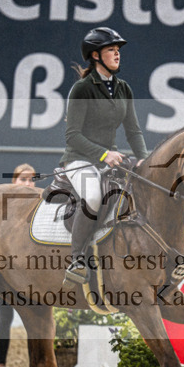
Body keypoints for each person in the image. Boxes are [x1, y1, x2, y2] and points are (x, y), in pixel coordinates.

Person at [60, 27, 149, 287]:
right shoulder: (81, 89)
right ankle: (76, 259)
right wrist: (102, 154)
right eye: (111, 50)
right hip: (79, 160)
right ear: (96, 55)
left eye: (118, 50)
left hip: (111, 159)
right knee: (94, 196)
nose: (117, 54)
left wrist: (143, 158)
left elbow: (133, 131)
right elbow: (72, 135)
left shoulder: (124, 89)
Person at [0, 163, 40, 367]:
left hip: (31, 276)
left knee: (34, 324)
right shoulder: (2, 210)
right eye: (23, 179)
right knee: (5, 320)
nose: (28, 184)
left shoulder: (39, 210)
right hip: (7, 275)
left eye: (31, 180)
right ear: (13, 182)